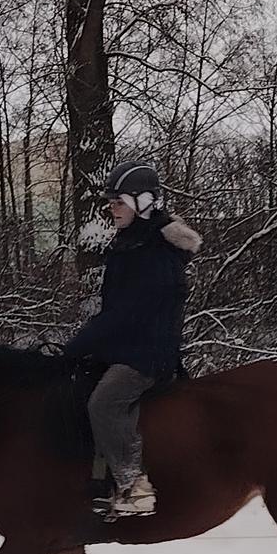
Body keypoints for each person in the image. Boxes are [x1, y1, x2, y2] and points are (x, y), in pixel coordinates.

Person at [62, 159, 201, 518]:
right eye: (110, 203)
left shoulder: (155, 252)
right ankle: (98, 480)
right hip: (127, 347)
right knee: (78, 390)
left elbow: (126, 314)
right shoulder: (131, 243)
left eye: (118, 202)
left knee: (104, 403)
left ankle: (133, 485)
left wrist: (79, 344)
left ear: (143, 203)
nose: (112, 209)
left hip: (148, 356)